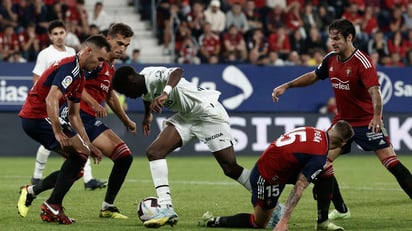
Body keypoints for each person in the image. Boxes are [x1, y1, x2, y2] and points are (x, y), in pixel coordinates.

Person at [272, 19, 412, 230]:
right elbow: (313, 76)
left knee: (391, 163)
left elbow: (375, 92)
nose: (332, 43)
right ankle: (341, 209)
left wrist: (376, 116)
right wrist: (288, 85)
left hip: (367, 122)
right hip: (342, 125)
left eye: (336, 39)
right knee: (321, 163)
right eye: (331, 38)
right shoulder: (331, 59)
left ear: (349, 37)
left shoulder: (363, 62)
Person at [18, 23, 137, 220]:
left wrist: (91, 142)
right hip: (48, 117)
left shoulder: (89, 71)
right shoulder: (77, 66)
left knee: (77, 164)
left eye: (126, 45)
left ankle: (35, 193)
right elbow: (53, 98)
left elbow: (97, 100)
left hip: (68, 118)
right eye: (119, 43)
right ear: (105, 42)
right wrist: (58, 130)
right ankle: (52, 205)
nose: (123, 48)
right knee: (83, 157)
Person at [111, 65, 253, 228]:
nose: (129, 97)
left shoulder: (153, 77)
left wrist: (165, 93)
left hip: (208, 113)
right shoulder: (142, 85)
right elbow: (147, 96)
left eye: (126, 91)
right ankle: (166, 209)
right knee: (154, 152)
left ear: (131, 80)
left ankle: (268, 199)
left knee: (230, 168)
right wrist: (147, 115)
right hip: (187, 117)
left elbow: (177, 71)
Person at [200, 120, 354, 230]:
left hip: (280, 169)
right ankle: (214, 221)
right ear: (342, 144)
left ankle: (322, 222)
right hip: (266, 178)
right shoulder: (319, 156)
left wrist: (316, 179)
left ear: (331, 128)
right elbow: (300, 187)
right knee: (259, 223)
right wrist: (284, 220)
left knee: (326, 170)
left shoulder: (312, 130)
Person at [30, 19, 106, 191]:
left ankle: (88, 179)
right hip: (50, 103)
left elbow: (76, 82)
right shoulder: (45, 54)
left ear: (66, 34)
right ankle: (36, 176)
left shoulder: (72, 52)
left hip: (66, 103)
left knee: (75, 140)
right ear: (50, 36)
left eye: (61, 33)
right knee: (52, 142)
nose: (59, 37)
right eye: (55, 34)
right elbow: (38, 79)